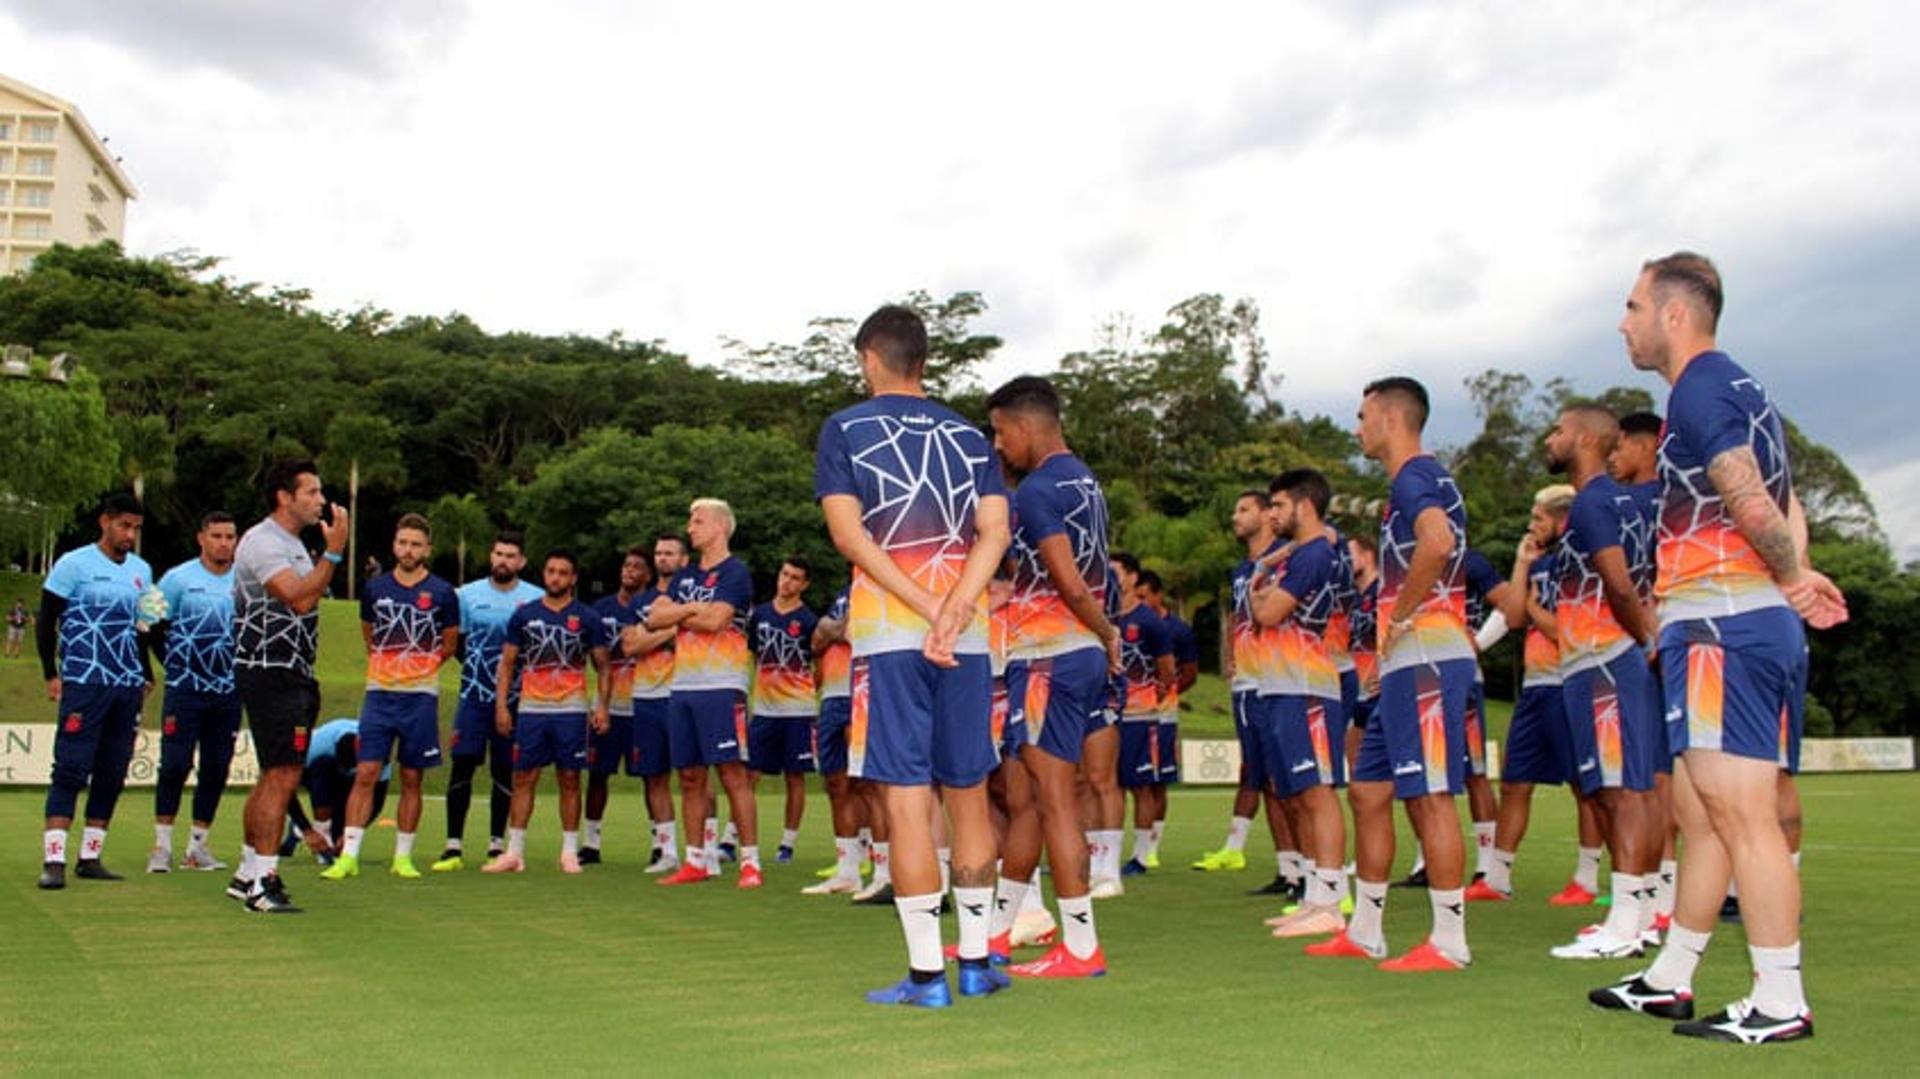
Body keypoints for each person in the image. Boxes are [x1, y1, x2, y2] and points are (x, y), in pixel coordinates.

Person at [1590, 252, 1845, 1042]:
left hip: (1724, 627)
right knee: (1703, 813)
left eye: (1633, 306)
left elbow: (1743, 490)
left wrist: (1792, 576)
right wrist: (1791, 577)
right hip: (1742, 619)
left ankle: (1779, 1000)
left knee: (1741, 816)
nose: (1624, 322)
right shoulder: (1745, 389)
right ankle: (1672, 977)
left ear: (1673, 314)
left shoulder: (1700, 387)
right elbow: (1786, 498)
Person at [815, 305, 1011, 1006]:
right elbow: (995, 530)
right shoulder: (969, 435)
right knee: (969, 799)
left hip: (891, 637)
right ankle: (979, 960)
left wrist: (928, 607)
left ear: (871, 357)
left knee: (904, 799)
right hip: (969, 639)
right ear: (924, 360)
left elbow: (850, 536)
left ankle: (928, 975)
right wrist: (956, 606)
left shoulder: (845, 429)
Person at [1309, 377, 1474, 971]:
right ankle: (1367, 929)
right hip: (1406, 664)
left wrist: (1399, 615)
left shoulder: (1415, 476)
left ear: (1390, 417)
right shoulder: (1413, 481)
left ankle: (1449, 942)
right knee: (1369, 790)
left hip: (1426, 653)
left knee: (1429, 799)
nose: (1357, 428)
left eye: (1362, 416)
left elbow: (1438, 542)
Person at [986, 373, 1118, 982]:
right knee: (1035, 800)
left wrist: (1107, 629)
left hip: (1049, 653)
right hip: (1073, 653)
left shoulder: (1037, 490)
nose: (998, 445)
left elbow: (1068, 579)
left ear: (1026, 424)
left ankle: (1082, 947)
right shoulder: (1085, 480)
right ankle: (996, 934)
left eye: (1000, 431)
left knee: (1055, 800)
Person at [1538, 405, 1665, 959]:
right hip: (1599, 660)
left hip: (1605, 659)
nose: (1551, 438)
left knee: (1622, 789)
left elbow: (1618, 583)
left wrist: (1643, 637)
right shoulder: (1621, 502)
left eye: (1560, 430)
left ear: (1586, 438)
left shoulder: (1592, 501)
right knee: (1618, 790)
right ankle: (1636, 916)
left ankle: (1628, 923)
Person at [228, 459, 349, 913]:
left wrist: (322, 559)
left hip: (292, 669)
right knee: (282, 776)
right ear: (285, 496)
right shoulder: (263, 542)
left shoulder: (294, 544)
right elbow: (297, 596)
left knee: (273, 774)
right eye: (312, 492)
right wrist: (334, 552)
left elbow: (307, 599)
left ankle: (246, 873)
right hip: (270, 669)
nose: (321, 500)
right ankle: (264, 881)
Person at [320, 514, 459, 882]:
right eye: (403, 543)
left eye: (416, 544)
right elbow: (369, 636)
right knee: (365, 772)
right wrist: (390, 666)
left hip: (420, 699)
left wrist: (418, 667)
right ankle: (348, 855)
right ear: (394, 546)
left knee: (412, 776)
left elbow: (449, 643)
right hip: (380, 696)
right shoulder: (376, 589)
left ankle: (403, 856)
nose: (408, 550)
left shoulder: (443, 593)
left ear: (427, 549)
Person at [35, 491, 156, 890]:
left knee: (112, 771)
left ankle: (91, 855)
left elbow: (143, 629)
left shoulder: (142, 571)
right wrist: (52, 672)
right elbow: (46, 619)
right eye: (124, 525)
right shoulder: (73, 564)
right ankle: (54, 859)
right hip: (85, 681)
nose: (130, 534)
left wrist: (146, 673)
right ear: (105, 522)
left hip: (125, 685)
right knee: (70, 767)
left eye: (136, 528)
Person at [1251, 470, 1350, 940]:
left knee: (1318, 792)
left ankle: (1330, 900)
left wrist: (1260, 593)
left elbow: (1267, 612)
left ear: (1304, 505)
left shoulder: (1314, 554)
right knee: (1300, 795)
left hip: (1307, 687)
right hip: (1284, 685)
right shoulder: (1302, 553)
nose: (1273, 514)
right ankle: (1316, 897)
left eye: (1278, 504)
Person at [648, 499, 763, 888]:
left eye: (697, 521)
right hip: (682, 687)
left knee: (733, 773)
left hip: (723, 685)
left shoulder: (736, 572)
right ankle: (695, 860)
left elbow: (716, 620)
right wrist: (691, 608)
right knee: (691, 776)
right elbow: (653, 618)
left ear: (718, 527)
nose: (690, 527)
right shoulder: (683, 577)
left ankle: (750, 862)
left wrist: (681, 611)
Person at [1471, 485, 1577, 901]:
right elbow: (1513, 615)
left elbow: (1562, 631)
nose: (1531, 526)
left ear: (1561, 521)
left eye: (1539, 519)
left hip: (1569, 683)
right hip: (1535, 687)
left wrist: (1534, 608)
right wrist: (1521, 564)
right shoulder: (1539, 563)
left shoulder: (1578, 564)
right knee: (1515, 782)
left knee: (1589, 789)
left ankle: (1589, 878)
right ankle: (1497, 878)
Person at [482, 549, 611, 873]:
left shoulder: (587, 617)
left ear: (573, 578)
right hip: (531, 709)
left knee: (569, 778)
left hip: (571, 710)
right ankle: (514, 851)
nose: (556, 577)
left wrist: (602, 707)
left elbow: (604, 667)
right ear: (544, 574)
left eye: (563, 572)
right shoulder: (524, 615)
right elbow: (508, 663)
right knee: (524, 777)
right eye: (551, 571)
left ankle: (569, 851)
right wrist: (502, 705)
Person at [1193, 491, 1295, 886]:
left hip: (1279, 678)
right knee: (1263, 778)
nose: (1236, 517)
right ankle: (1289, 870)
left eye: (1244, 509)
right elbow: (1241, 616)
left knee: (1288, 781)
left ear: (1270, 515)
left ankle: (1316, 873)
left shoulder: (1289, 557)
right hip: (1246, 683)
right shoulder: (1241, 570)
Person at [434, 531, 541, 871]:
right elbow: (458, 642)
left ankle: (497, 844)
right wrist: (483, 675)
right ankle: (453, 846)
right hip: (474, 697)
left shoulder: (534, 599)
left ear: (521, 562)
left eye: (511, 555)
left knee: (504, 770)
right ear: (490, 556)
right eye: (498, 554)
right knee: (463, 764)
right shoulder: (466, 596)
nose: (503, 561)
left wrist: (508, 686)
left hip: (515, 701)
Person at [147, 511, 242, 873]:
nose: (223, 543)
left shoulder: (244, 581)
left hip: (228, 691)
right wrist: (167, 662)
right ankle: (162, 846)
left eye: (230, 536)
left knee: (216, 768)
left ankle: (197, 847)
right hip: (185, 690)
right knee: (174, 765)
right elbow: (148, 622)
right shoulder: (177, 579)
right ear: (201, 538)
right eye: (216, 535)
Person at [746, 556, 820, 864]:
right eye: (784, 573)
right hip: (764, 710)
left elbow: (819, 665)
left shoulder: (808, 620)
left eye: (794, 577)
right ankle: (732, 837)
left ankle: (787, 844)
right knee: (749, 775)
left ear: (804, 584)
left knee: (795, 777)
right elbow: (752, 656)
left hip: (798, 711)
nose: (786, 581)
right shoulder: (759, 614)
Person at [581, 547, 652, 865]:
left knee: (653, 776)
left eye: (637, 567)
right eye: (627, 565)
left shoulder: (654, 609)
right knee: (598, 775)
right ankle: (591, 843)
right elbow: (595, 658)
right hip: (608, 706)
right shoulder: (600, 609)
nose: (630, 571)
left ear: (647, 576)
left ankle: (660, 842)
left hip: (644, 706)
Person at [626, 532, 690, 873]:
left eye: (670, 553)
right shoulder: (642, 601)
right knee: (654, 776)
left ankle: (705, 848)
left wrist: (653, 631)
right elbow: (631, 647)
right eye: (659, 552)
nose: (662, 558)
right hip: (646, 696)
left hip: (682, 693)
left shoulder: (693, 597)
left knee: (693, 774)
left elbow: (700, 633)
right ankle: (667, 851)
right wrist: (673, 630)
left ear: (684, 560)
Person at [1109, 553, 1173, 877]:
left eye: (1115, 572)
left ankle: (1142, 855)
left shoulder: (1148, 621)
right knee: (1106, 783)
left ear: (1133, 578)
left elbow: (1167, 670)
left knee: (1142, 785)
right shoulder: (1102, 615)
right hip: (1108, 714)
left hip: (1140, 716)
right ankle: (1104, 854)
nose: (1109, 576)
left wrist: (1148, 701)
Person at [803, 586, 866, 895]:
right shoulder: (841, 594)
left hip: (863, 693)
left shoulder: (880, 585)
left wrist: (833, 630)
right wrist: (834, 630)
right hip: (832, 695)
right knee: (836, 784)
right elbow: (815, 641)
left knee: (869, 785)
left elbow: (856, 634)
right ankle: (847, 871)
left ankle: (883, 871)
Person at [1136, 569, 1195, 870]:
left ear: (1158, 595)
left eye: (1144, 597)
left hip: (1163, 717)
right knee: (1135, 782)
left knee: (1158, 782)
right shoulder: (1128, 620)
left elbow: (1190, 672)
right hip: (1133, 714)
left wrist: (1167, 691)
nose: (1140, 602)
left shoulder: (1178, 630)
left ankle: (1151, 847)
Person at [302, 718, 388, 857]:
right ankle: (320, 827)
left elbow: (377, 800)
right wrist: (307, 830)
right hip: (318, 773)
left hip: (353, 784)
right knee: (323, 765)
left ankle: (321, 831)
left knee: (339, 838)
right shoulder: (315, 745)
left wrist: (352, 833)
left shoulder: (378, 756)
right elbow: (285, 791)